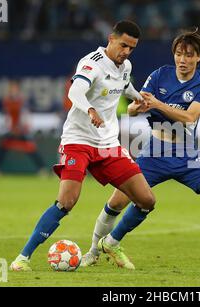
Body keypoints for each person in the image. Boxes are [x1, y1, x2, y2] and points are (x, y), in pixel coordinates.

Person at [81, 29, 200, 270]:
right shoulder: (160, 75)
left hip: (187, 155)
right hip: (153, 153)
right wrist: (136, 108)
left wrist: (158, 104)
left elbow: (190, 117)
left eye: (188, 55)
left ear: (198, 57)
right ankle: (93, 251)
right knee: (116, 202)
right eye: (179, 54)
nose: (182, 60)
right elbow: (133, 107)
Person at [9, 20, 155, 271]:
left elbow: (125, 85)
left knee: (146, 200)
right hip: (78, 141)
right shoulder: (92, 63)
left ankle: (111, 243)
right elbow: (74, 92)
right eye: (123, 45)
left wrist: (139, 98)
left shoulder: (125, 65)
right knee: (67, 201)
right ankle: (22, 258)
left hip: (107, 143)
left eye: (132, 48)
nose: (126, 52)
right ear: (111, 39)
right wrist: (89, 109)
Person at [0, 80, 46, 176]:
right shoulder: (6, 101)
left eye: (14, 88)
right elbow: (6, 116)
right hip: (11, 130)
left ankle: (42, 169)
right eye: (11, 88)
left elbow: (25, 115)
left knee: (31, 148)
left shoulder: (22, 101)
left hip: (22, 130)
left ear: (18, 89)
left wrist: (21, 128)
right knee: (3, 147)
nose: (12, 90)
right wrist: (10, 128)